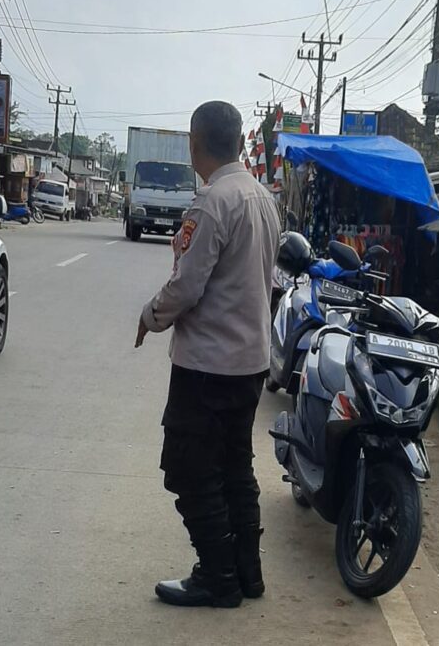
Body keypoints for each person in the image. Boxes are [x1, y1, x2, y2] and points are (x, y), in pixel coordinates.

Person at [135, 100, 281, 608]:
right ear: (240, 142)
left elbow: (186, 286)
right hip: (251, 362)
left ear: (194, 143)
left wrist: (151, 316)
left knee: (190, 468)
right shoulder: (262, 198)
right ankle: (246, 574)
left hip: (208, 366)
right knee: (234, 466)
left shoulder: (212, 202)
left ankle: (218, 578)